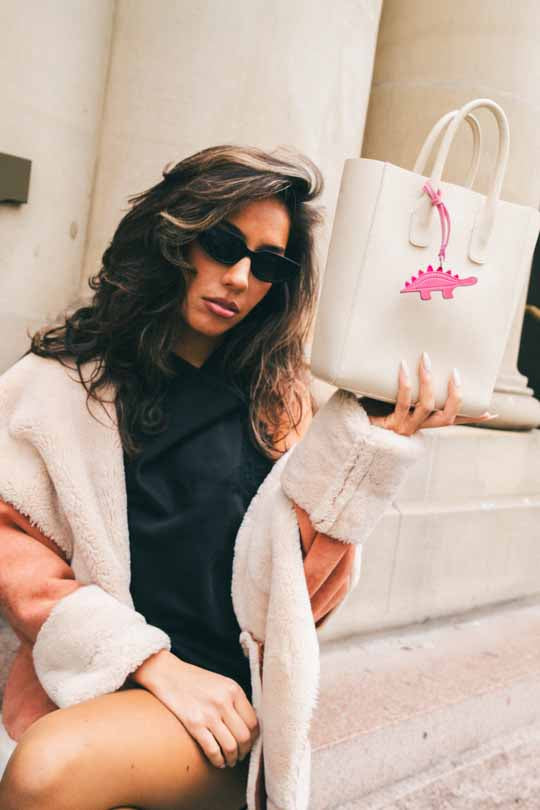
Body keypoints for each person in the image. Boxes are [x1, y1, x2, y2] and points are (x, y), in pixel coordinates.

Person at [0, 144, 496, 810]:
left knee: (47, 771)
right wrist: (148, 663)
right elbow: (17, 561)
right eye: (222, 244)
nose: (239, 277)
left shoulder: (280, 405)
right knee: (47, 765)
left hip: (225, 709)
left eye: (267, 263)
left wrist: (370, 457)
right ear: (175, 236)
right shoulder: (59, 387)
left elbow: (300, 604)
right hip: (103, 678)